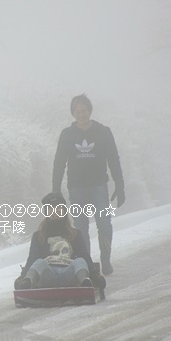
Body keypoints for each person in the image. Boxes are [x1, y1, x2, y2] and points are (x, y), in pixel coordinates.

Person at [52, 94, 125, 275]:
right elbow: (59, 162)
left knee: (104, 224)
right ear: (73, 113)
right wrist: (55, 190)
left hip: (99, 186)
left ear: (89, 111)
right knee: (81, 227)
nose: (81, 114)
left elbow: (113, 159)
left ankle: (105, 260)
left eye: (83, 111)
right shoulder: (67, 135)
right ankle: (85, 262)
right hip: (76, 188)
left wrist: (120, 185)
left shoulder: (103, 132)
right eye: (77, 112)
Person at [14, 192, 104, 290]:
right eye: (51, 209)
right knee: (39, 262)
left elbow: (85, 256)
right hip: (48, 275)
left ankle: (85, 281)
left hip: (69, 274)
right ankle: (28, 282)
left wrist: (95, 276)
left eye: (58, 208)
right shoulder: (38, 236)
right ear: (46, 212)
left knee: (80, 260)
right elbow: (32, 258)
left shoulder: (75, 234)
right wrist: (23, 276)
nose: (55, 212)